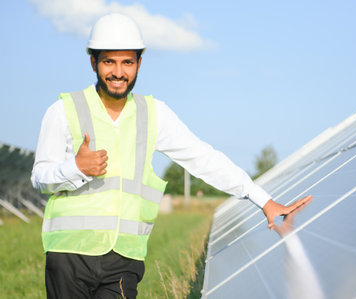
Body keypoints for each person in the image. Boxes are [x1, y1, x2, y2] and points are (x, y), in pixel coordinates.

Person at [31, 13, 311, 298]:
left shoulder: (154, 114)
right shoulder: (62, 110)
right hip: (68, 255)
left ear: (139, 63)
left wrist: (262, 200)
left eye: (127, 62)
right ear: (93, 62)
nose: (118, 72)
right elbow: (40, 177)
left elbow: (204, 158)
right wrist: (75, 168)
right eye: (108, 61)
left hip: (124, 260)